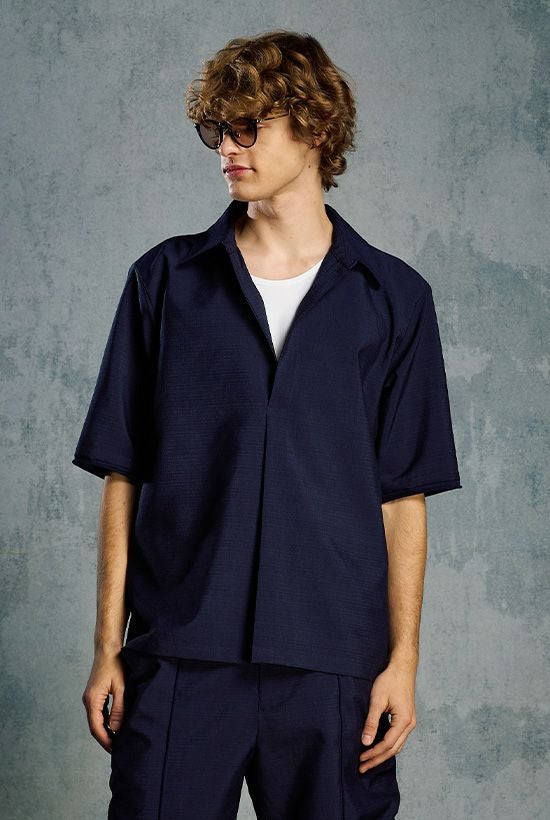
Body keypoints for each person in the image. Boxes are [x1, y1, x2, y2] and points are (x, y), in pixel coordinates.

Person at [75, 30, 462, 819]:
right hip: (181, 654)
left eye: (248, 126)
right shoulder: (163, 282)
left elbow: (403, 497)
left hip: (335, 664)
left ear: (314, 127)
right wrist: (108, 648)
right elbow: (125, 473)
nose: (228, 146)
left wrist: (403, 663)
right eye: (217, 128)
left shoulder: (395, 299)